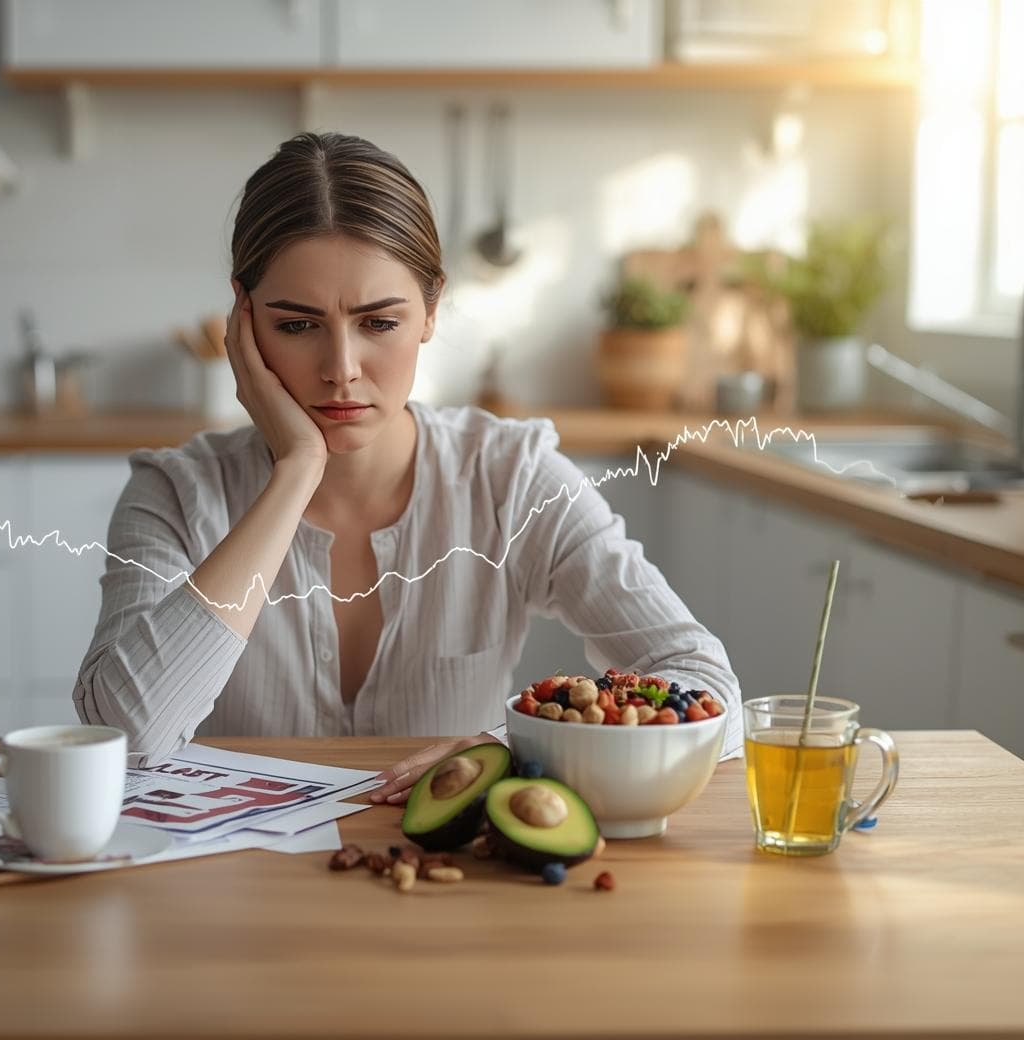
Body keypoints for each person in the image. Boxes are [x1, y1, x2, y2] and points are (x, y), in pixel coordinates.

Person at [73, 131, 742, 803]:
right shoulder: (175, 493)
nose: (341, 370)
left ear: (430, 311)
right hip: (237, 893)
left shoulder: (511, 478)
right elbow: (125, 737)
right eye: (298, 326)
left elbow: (709, 687)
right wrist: (296, 471)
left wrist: (520, 748)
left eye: (378, 323)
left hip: (448, 881)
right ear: (243, 323)